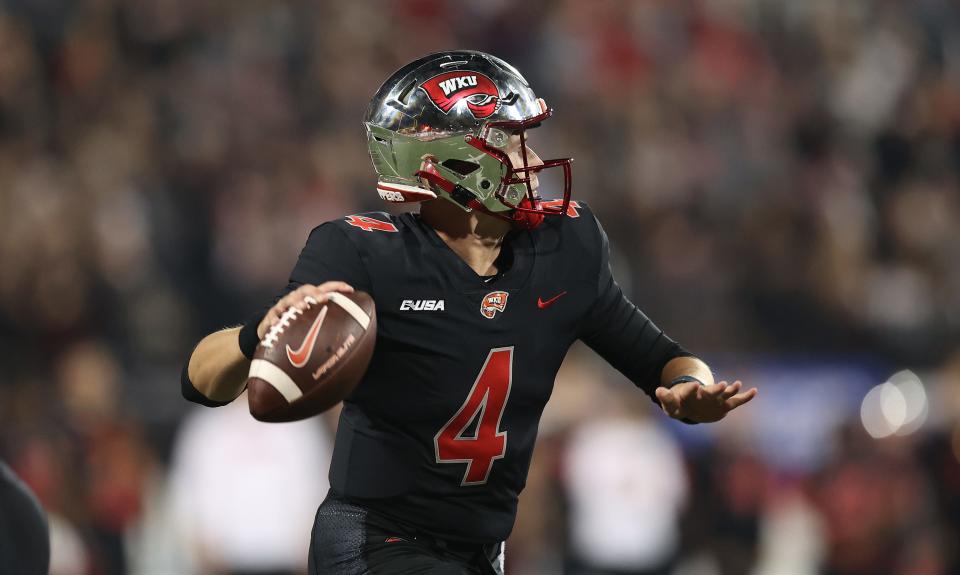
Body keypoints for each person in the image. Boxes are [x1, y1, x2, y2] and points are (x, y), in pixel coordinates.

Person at [181, 50, 757, 575]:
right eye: (508, 141)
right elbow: (201, 381)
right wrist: (258, 335)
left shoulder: (566, 248)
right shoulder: (363, 252)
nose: (531, 157)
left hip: (481, 554)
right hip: (375, 543)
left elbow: (663, 359)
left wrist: (692, 390)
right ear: (445, 163)